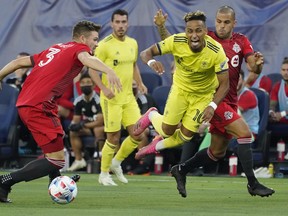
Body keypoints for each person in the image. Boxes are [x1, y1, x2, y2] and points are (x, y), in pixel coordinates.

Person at [147, 6, 275, 198]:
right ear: (214, 22)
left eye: (226, 22)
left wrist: (258, 65)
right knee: (244, 133)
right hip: (211, 98)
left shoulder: (241, 41)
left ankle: (181, 169)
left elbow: (253, 67)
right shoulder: (206, 38)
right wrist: (161, 27)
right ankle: (252, 183)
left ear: (234, 23)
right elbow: (176, 44)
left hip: (230, 99)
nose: (222, 26)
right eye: (219, 22)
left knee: (217, 152)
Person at [0, 20, 121, 203]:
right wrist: (109, 70)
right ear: (82, 38)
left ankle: (57, 183)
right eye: (95, 39)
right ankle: (5, 182)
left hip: (35, 104)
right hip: (38, 106)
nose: (97, 44)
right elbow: (87, 59)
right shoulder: (79, 50)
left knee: (55, 153)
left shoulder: (55, 48)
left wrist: (0, 77)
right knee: (56, 160)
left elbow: (18, 62)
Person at [133, 10, 229, 176]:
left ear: (205, 31)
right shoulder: (177, 41)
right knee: (166, 131)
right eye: (189, 31)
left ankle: (153, 147)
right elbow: (144, 53)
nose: (194, 35)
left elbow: (225, 84)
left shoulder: (216, 50)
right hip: (181, 91)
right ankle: (151, 115)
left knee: (185, 137)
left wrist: (212, 105)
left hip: (202, 96)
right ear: (185, 32)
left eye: (198, 30)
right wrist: (151, 61)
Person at [91, 9, 147, 186]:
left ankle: (116, 162)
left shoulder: (133, 43)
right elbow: (91, 70)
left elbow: (134, 65)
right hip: (111, 99)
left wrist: (140, 82)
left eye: (124, 22)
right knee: (113, 138)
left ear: (127, 23)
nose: (121, 25)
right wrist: (103, 88)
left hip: (129, 98)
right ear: (112, 24)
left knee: (139, 134)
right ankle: (103, 173)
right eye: (118, 22)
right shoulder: (104, 45)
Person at [67, 72, 105, 171]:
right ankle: (79, 160)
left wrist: (83, 124)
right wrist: (73, 125)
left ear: (94, 84)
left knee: (98, 129)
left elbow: (100, 121)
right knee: (73, 132)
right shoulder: (78, 101)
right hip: (90, 126)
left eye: (88, 82)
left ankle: (100, 157)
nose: (85, 85)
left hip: (103, 127)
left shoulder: (99, 99)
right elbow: (76, 119)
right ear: (79, 85)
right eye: (83, 83)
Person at [269, 57, 288, 152]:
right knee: (267, 126)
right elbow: (272, 105)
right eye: (283, 70)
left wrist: (282, 114)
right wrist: (272, 113)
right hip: (282, 122)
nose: (286, 73)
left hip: (283, 119)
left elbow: (283, 113)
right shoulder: (277, 86)